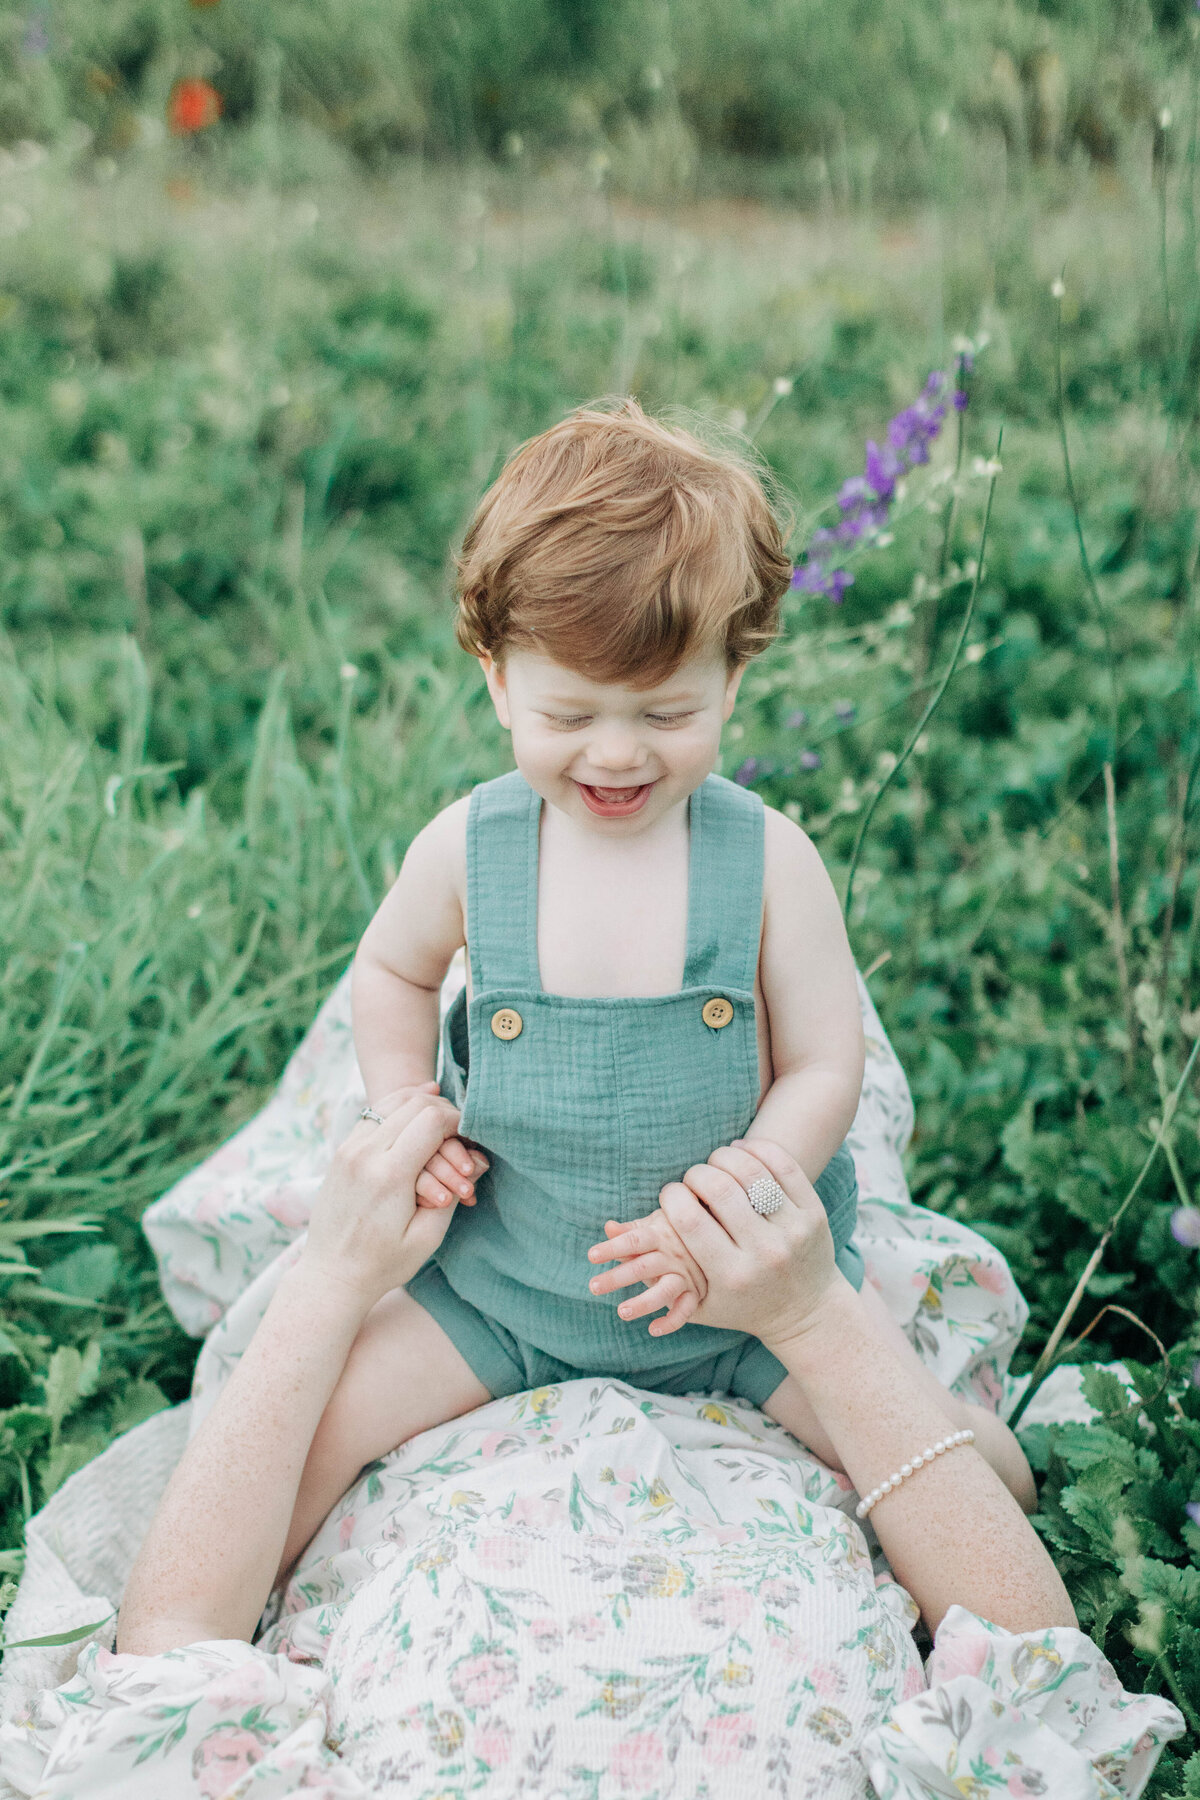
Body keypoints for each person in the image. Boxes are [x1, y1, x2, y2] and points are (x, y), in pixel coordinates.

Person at [280, 398, 1033, 1572]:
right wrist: (401, 1105)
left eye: (667, 713)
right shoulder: (470, 851)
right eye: (569, 714)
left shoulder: (769, 860)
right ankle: (227, 1629)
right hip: (504, 1286)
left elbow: (828, 1060)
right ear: (495, 682)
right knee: (307, 1444)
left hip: (742, 1305)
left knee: (925, 1465)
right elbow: (389, 972)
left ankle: (991, 1455)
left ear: (733, 678)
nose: (619, 754)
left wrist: (759, 1183)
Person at [117, 1090, 1074, 1662]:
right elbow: (1027, 1628)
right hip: (733, 1287)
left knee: (417, 1097)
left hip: (482, 1247)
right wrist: (812, 1315)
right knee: (771, 1054)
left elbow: (170, 1634)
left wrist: (331, 1274)